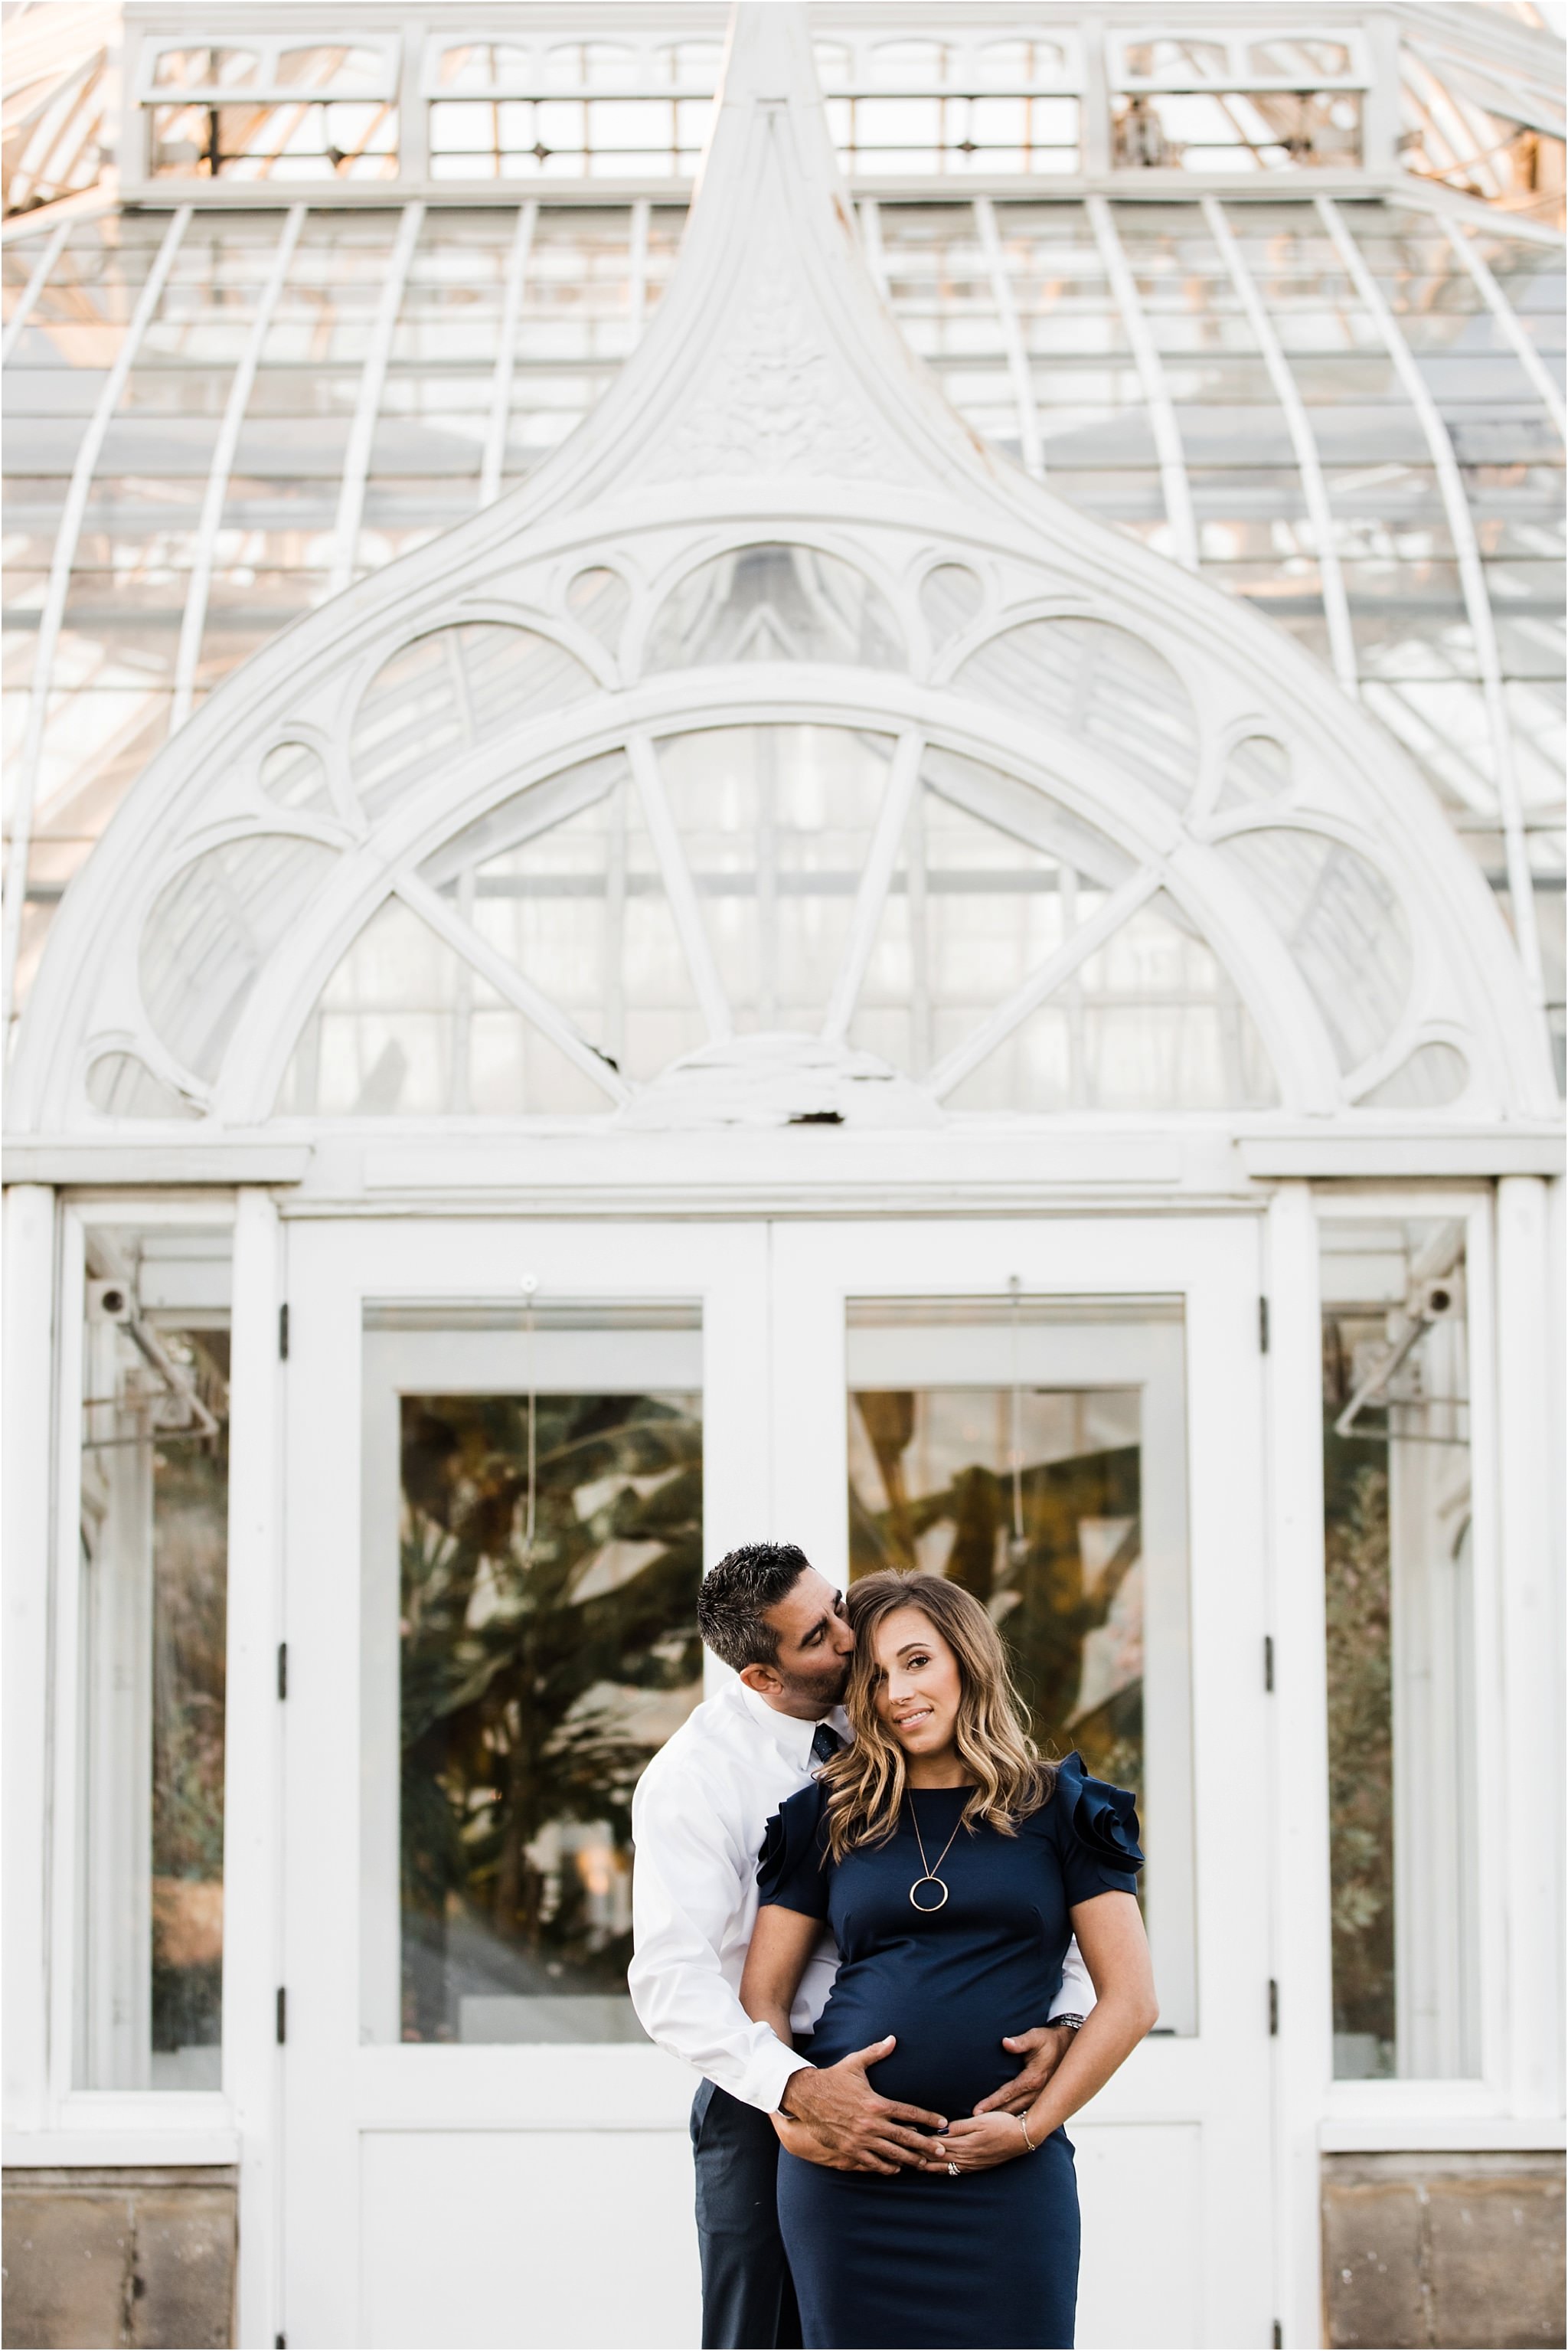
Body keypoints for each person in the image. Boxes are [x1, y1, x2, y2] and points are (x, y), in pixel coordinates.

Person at [629, 1542, 1096, 2351]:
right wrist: (794, 2092)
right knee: (758, 2336)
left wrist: (1065, 2018)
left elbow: (1028, 1883)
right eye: (816, 1637)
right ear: (760, 1677)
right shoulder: (694, 1780)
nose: (850, 1641)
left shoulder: (906, 1707)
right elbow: (671, 1981)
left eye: (839, 1607)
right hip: (765, 2092)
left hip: (965, 2121)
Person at [740, 1570, 1157, 2351]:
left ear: (966, 1658)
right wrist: (792, 2113)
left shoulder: (1062, 1809)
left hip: (1006, 2184)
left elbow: (1130, 2000)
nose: (896, 1691)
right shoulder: (821, 1817)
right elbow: (761, 1993)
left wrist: (1030, 2128)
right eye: (873, 1675)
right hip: (849, 2182)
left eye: (916, 1661)